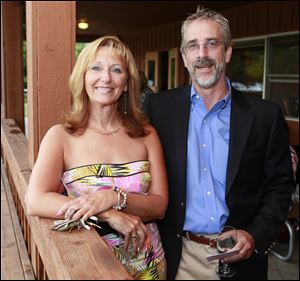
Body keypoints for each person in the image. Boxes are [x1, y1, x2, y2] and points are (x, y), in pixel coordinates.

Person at [143, 6, 295, 280]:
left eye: (211, 44)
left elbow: (280, 185)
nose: (202, 54)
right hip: (179, 257)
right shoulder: (159, 109)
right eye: (193, 46)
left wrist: (255, 235)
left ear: (227, 51)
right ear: (184, 57)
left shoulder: (264, 116)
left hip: (240, 260)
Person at [25, 35, 168, 280]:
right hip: (90, 266)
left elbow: (159, 206)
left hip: (149, 264)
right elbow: (35, 200)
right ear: (83, 77)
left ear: (126, 83)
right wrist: (106, 212)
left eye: (116, 70)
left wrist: (113, 197)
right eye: (96, 68)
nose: (106, 78)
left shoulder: (146, 134)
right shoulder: (61, 136)